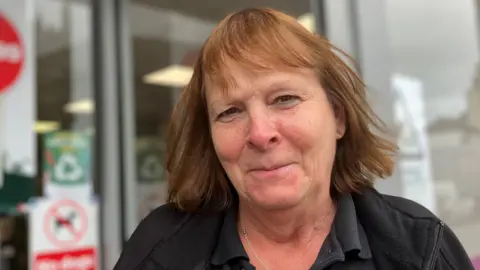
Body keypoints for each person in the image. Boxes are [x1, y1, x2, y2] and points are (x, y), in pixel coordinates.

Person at [114, 8, 474, 270]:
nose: (259, 134)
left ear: (337, 117)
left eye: (284, 99)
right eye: (230, 112)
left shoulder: (421, 249)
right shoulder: (159, 251)